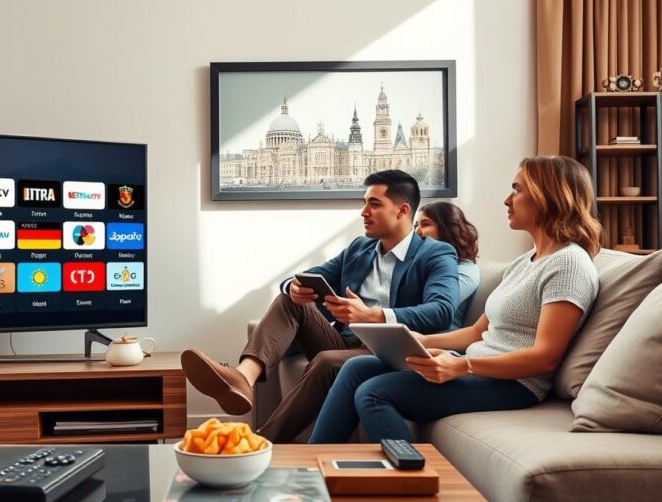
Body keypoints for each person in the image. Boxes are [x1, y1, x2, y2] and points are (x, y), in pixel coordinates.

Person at [309, 155, 602, 443]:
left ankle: (414, 472)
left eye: (517, 190)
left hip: (515, 384)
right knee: (356, 367)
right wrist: (419, 340)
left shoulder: (568, 264)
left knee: (373, 393)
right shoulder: (526, 261)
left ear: (548, 196)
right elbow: (477, 331)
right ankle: (312, 462)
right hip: (478, 365)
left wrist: (463, 366)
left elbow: (545, 358)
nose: (507, 200)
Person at [181, 170, 461, 441]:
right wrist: (293, 287)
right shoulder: (359, 248)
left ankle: (263, 443)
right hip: (346, 341)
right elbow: (305, 278)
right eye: (364, 203)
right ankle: (243, 377)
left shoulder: (435, 253)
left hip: (390, 352)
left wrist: (374, 315)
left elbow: (441, 310)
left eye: (374, 204)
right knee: (288, 301)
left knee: (326, 361)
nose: (363, 212)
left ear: (402, 210)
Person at [414, 202, 480, 330]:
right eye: (416, 226)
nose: (417, 231)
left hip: (438, 338)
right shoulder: (423, 265)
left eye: (425, 224)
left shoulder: (466, 269)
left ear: (447, 228)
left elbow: (432, 308)